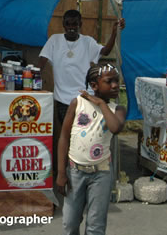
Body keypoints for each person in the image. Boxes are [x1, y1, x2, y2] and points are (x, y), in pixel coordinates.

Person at [57, 62, 126, 235]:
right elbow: (64, 137)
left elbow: (115, 128)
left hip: (101, 174)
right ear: (94, 85)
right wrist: (61, 173)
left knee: (96, 226)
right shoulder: (77, 103)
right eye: (109, 81)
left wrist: (102, 104)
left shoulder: (117, 109)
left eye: (116, 81)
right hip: (75, 172)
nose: (115, 85)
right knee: (70, 223)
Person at [38, 9, 125, 123]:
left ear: (80, 25)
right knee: (68, 132)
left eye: (75, 24)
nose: (71, 27)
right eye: (68, 24)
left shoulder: (87, 41)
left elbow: (106, 51)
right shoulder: (54, 40)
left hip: (85, 96)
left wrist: (114, 32)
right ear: (63, 24)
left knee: (84, 131)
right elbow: (41, 63)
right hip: (63, 99)